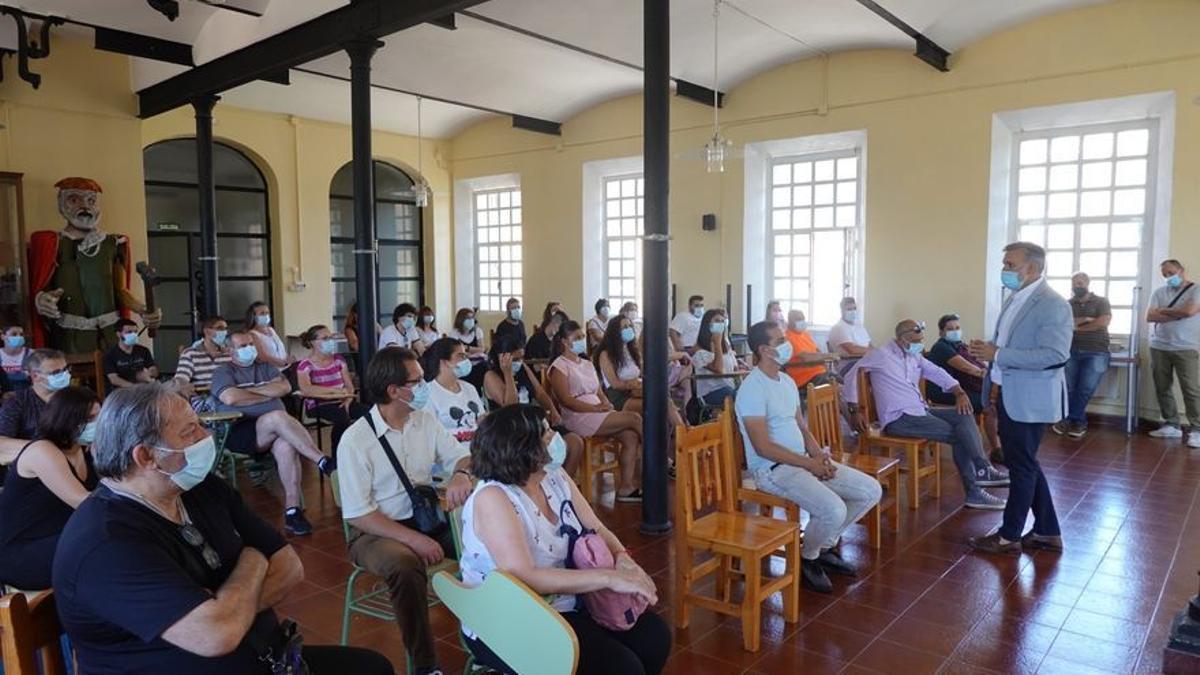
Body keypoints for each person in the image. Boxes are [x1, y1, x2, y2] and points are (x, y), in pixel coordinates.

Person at [53, 383, 393, 675]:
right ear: (146, 457)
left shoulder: (199, 488)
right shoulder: (106, 543)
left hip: (268, 658)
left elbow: (290, 568)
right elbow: (215, 635)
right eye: (190, 431)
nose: (206, 436)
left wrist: (227, 608)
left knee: (372, 667)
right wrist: (254, 561)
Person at [459, 404, 671, 675]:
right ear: (522, 447)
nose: (555, 438)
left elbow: (595, 527)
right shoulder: (494, 497)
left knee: (654, 638)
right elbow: (524, 576)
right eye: (546, 433)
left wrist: (622, 559)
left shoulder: (553, 477)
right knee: (621, 668)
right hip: (510, 617)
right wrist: (609, 578)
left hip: (566, 600)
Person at [336, 347, 473, 675]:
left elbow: (461, 457)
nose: (425, 386)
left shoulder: (424, 420)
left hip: (426, 519)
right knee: (404, 564)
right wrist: (414, 540)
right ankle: (425, 665)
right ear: (394, 391)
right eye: (418, 381)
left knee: (480, 545)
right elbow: (358, 513)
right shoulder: (356, 440)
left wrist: (460, 473)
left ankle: (489, 640)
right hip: (375, 531)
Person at [735, 321, 882, 593]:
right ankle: (808, 557)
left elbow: (802, 427)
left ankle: (823, 547)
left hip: (802, 461)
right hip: (773, 470)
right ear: (765, 350)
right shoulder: (752, 388)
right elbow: (763, 447)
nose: (787, 343)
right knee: (833, 508)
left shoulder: (787, 381)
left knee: (870, 490)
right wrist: (808, 464)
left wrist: (819, 459)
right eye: (781, 340)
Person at [967, 241, 1071, 554]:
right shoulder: (1017, 298)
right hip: (1008, 392)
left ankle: (1008, 535)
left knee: (1021, 466)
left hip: (1029, 397)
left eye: (1010, 265)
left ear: (1032, 268)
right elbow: (1010, 343)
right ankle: (1047, 531)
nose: (1005, 271)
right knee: (1024, 462)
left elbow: (1055, 354)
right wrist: (990, 349)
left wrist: (998, 353)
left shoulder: (1052, 304)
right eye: (1005, 265)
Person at [845, 319, 1009, 510]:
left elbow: (936, 372)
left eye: (921, 340)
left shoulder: (913, 355)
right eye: (916, 341)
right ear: (902, 340)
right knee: (961, 436)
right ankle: (975, 489)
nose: (920, 345)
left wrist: (959, 392)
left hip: (920, 410)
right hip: (899, 418)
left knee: (964, 414)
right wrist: (854, 410)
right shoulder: (881, 355)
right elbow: (851, 374)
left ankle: (983, 470)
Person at [210, 331, 336, 535]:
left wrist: (250, 395)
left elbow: (285, 387)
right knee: (277, 416)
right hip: (240, 430)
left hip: (275, 432)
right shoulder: (224, 372)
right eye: (243, 346)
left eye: (251, 343)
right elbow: (231, 398)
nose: (249, 348)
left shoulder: (265, 367)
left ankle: (293, 511)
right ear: (230, 351)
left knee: (286, 445)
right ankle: (321, 460)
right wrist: (266, 394)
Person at [0, 386, 98, 590]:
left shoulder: (83, 449)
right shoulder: (42, 451)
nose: (98, 425)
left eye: (100, 417)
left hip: (58, 537)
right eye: (90, 419)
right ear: (67, 420)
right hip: (21, 553)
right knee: (102, 544)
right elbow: (84, 502)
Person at [549, 320, 643, 502]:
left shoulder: (587, 363)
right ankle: (658, 458)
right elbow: (566, 400)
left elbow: (600, 392)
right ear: (564, 342)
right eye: (576, 338)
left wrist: (606, 405)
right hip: (578, 416)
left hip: (598, 412)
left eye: (582, 337)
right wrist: (594, 408)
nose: (581, 340)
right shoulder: (559, 366)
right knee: (634, 418)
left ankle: (626, 488)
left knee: (630, 436)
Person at [482, 333, 583, 475]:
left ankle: (565, 483)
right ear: (502, 357)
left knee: (575, 442)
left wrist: (553, 410)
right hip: (512, 428)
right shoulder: (491, 376)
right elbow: (510, 406)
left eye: (521, 358)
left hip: (533, 422)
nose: (519, 362)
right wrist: (508, 374)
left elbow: (540, 393)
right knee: (543, 449)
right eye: (515, 359)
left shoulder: (523, 368)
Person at [926, 314, 1003, 462]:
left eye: (957, 328)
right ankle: (996, 450)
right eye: (950, 329)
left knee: (994, 399)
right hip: (943, 391)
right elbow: (966, 367)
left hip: (959, 388)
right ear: (941, 332)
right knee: (988, 405)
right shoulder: (941, 347)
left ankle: (995, 446)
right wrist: (985, 375)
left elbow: (978, 363)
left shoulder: (960, 345)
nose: (955, 331)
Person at [595, 314, 687, 434]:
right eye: (624, 327)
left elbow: (642, 373)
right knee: (663, 405)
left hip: (636, 390)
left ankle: (677, 437)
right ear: (614, 332)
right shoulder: (605, 354)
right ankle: (683, 435)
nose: (629, 329)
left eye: (630, 326)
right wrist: (632, 384)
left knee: (663, 398)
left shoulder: (631, 350)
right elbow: (615, 384)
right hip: (618, 396)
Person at [1146, 259, 1200, 447]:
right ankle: (1172, 425)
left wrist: (1163, 310)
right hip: (1159, 346)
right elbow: (1150, 316)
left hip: (1186, 347)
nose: (1169, 277)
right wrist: (1177, 312)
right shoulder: (1159, 292)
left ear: (1181, 270)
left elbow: (1190, 311)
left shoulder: (1196, 289)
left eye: (1171, 273)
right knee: (1162, 387)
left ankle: (1197, 430)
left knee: (1191, 389)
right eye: (1165, 275)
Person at [1053, 272, 1114, 439]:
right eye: (1074, 284)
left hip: (1096, 351)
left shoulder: (1101, 301)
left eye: (1080, 283)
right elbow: (1062, 324)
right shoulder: (1067, 304)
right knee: (1070, 388)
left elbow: (1103, 321)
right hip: (1070, 351)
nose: (1077, 286)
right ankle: (1078, 422)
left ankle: (1071, 419)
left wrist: (1078, 326)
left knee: (1085, 388)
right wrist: (1086, 319)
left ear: (1088, 283)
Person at [297, 324, 368, 458]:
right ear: (312, 342)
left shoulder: (338, 360)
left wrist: (348, 399)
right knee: (342, 418)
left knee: (368, 413)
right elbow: (307, 390)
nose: (330, 341)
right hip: (319, 404)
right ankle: (337, 459)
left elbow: (349, 386)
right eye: (325, 338)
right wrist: (336, 392)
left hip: (342, 399)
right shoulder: (305, 365)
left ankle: (362, 454)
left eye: (330, 337)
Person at [0, 348, 69, 463]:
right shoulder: (17, 402)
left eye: (65, 370)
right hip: (33, 466)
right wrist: (46, 449)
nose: (64, 375)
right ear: (35, 376)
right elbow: (2, 442)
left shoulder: (74, 398)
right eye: (56, 372)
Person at [421, 337, 486, 445]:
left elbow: (480, 420)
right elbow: (431, 435)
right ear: (444, 361)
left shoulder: (469, 388)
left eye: (465, 355)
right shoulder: (428, 393)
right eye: (461, 356)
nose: (466, 360)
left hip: (477, 452)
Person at [174, 315, 233, 412]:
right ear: (207, 331)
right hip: (202, 399)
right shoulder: (190, 354)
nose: (224, 332)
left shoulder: (229, 354)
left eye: (226, 329)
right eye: (220, 328)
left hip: (227, 395)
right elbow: (180, 380)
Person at [692, 308, 740, 406]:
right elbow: (719, 369)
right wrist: (717, 343)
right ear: (707, 325)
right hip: (711, 392)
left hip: (730, 388)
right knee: (731, 394)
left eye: (722, 321)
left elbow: (736, 369)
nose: (720, 324)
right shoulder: (700, 353)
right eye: (717, 321)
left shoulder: (727, 349)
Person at [783, 309, 837, 395]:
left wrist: (825, 365)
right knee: (836, 387)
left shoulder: (805, 334)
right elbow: (807, 357)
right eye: (798, 319)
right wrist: (829, 355)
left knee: (844, 382)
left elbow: (817, 351)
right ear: (789, 321)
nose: (801, 321)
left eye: (802, 318)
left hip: (819, 373)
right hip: (804, 378)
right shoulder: (788, 337)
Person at [103, 318, 159, 389]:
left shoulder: (143, 350)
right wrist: (133, 387)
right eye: (129, 332)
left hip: (142, 388)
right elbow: (114, 379)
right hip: (120, 392)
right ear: (118, 334)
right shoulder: (110, 354)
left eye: (135, 332)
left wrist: (149, 373)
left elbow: (154, 369)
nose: (133, 335)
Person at [245, 301, 292, 370]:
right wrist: (282, 363)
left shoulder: (271, 330)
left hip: (285, 368)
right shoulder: (252, 334)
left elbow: (280, 349)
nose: (265, 316)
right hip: (271, 372)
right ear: (253, 316)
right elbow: (262, 356)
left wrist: (289, 359)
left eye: (267, 313)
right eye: (262, 313)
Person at [826, 296, 872, 364]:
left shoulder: (860, 326)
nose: (853, 311)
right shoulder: (838, 328)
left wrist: (877, 353)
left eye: (854, 308)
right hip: (849, 363)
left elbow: (870, 345)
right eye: (849, 309)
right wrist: (873, 352)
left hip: (865, 361)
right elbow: (852, 350)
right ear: (842, 311)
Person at [0, 324, 30, 394]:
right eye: (14, 334)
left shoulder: (31, 354)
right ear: (2, 336)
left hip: (26, 396)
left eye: (21, 334)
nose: (19, 337)